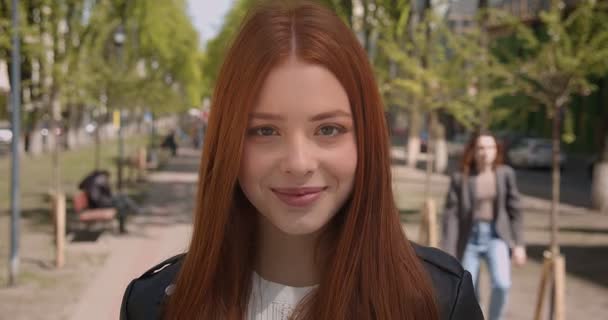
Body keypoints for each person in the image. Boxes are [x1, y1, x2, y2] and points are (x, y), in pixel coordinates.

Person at [120, 1, 482, 319]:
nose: (298, 162)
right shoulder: (154, 305)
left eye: (328, 129)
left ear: (367, 139)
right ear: (227, 142)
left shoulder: (437, 302)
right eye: (264, 131)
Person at [441, 131, 526, 320]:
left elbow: (515, 210)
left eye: (490, 147)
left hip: (496, 236)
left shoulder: (505, 174)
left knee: (502, 284)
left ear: (496, 150)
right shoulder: (460, 177)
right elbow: (451, 215)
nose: (485, 152)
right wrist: (448, 248)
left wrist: (519, 244)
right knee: (468, 292)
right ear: (473, 150)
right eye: (480, 147)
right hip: (469, 238)